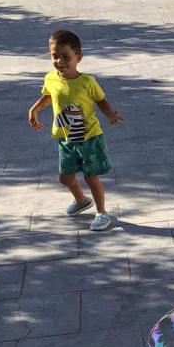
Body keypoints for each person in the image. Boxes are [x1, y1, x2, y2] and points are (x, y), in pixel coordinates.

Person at [27, 29, 123, 231]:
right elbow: (49, 96)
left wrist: (110, 115)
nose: (60, 61)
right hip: (65, 138)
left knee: (90, 176)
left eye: (66, 57)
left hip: (89, 137)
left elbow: (101, 100)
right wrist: (35, 109)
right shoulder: (51, 79)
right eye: (55, 56)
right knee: (65, 178)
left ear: (78, 57)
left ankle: (102, 213)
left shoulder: (87, 82)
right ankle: (81, 201)